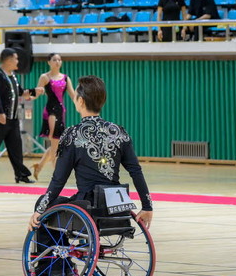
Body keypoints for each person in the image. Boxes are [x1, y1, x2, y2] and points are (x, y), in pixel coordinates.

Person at [28, 75, 153, 231]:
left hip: (89, 208)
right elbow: (136, 171)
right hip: (117, 207)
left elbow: (59, 179)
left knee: (44, 204)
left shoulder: (73, 135)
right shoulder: (118, 132)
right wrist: (147, 206)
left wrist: (40, 210)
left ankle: (56, 248)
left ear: (80, 101)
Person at [0, 48, 35, 184]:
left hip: (13, 119)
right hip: (0, 119)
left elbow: (20, 92)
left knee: (16, 148)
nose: (17, 61)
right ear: (8, 60)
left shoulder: (12, 75)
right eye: (16, 58)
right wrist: (0, 112)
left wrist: (33, 91)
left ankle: (21, 175)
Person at [31, 53, 75, 180]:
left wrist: (83, 106)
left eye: (59, 59)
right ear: (49, 62)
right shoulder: (45, 77)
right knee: (56, 144)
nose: (57, 62)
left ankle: (39, 166)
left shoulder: (66, 78)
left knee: (56, 144)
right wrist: (28, 96)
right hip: (50, 113)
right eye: (54, 59)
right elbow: (36, 93)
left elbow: (73, 95)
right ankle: (57, 175)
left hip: (61, 112)